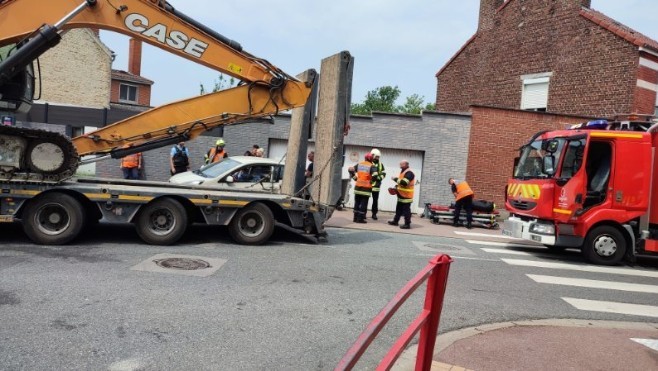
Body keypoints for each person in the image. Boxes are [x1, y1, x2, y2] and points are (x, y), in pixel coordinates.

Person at [349, 153, 377, 223]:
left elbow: (350, 170)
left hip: (358, 187)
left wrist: (356, 179)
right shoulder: (372, 166)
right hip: (366, 188)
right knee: (363, 204)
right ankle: (360, 219)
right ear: (371, 159)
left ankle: (355, 218)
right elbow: (375, 175)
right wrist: (372, 181)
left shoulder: (359, 164)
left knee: (357, 203)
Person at [387, 160, 415, 229]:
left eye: (401, 164)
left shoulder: (409, 173)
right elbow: (401, 184)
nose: (400, 164)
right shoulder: (403, 172)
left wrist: (395, 179)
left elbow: (404, 183)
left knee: (406, 211)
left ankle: (407, 224)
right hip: (401, 194)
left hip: (407, 196)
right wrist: (396, 187)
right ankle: (395, 221)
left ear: (406, 165)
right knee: (398, 209)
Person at [369, 148, 386, 220]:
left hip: (376, 185)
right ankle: (362, 213)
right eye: (376, 156)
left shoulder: (380, 164)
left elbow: (384, 173)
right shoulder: (369, 163)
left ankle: (374, 214)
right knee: (365, 200)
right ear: (372, 156)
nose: (378, 158)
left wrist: (379, 178)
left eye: (378, 157)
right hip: (368, 184)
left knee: (375, 200)